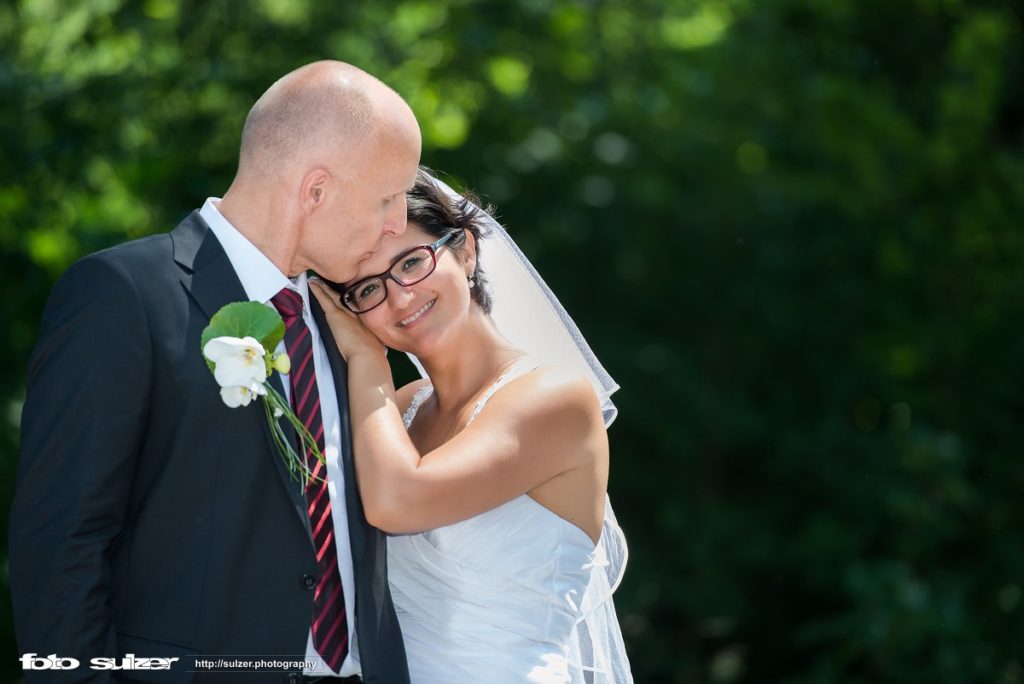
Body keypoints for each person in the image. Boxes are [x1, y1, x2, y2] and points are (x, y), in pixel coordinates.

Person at [10, 61, 420, 683]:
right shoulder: (125, 297)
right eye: (387, 197)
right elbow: (61, 544)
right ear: (316, 190)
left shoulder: (352, 328)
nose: (397, 223)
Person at [309, 168, 632, 683]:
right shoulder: (402, 408)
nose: (399, 298)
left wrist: (365, 359)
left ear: (466, 251)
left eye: (412, 262)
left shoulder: (556, 397)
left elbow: (398, 501)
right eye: (368, 289)